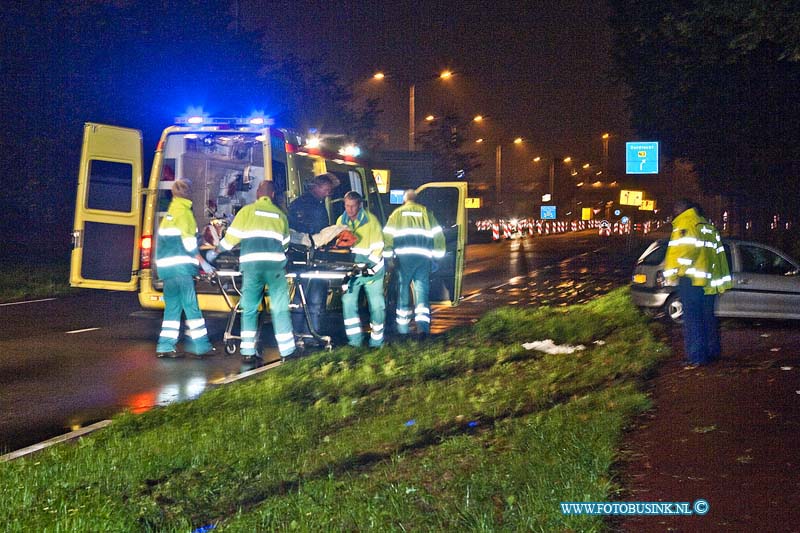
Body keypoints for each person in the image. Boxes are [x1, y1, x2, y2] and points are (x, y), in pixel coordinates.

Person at [208, 180, 295, 361]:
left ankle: (247, 352)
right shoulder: (280, 215)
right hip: (275, 268)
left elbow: (231, 239)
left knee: (249, 309)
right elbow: (286, 244)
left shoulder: (246, 212)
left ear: (257, 194)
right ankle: (287, 352)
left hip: (252, 268)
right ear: (272, 195)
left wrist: (215, 251)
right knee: (279, 308)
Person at [663, 198, 732, 367]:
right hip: (708, 283)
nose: (674, 211)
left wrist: (674, 273)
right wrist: (721, 282)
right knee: (707, 318)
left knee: (693, 320)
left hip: (691, 281)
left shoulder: (685, 224)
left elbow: (685, 252)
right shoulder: (708, 227)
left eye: (675, 207)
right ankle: (712, 352)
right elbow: (719, 256)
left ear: (682, 208)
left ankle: (696, 357)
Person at [154, 180, 216, 358]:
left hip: (167, 270)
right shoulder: (185, 214)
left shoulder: (170, 214)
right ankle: (202, 346)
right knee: (191, 306)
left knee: (172, 307)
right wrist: (204, 263)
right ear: (189, 194)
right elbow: (189, 244)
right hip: (181, 269)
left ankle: (165, 346)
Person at [383, 189, 445, 338]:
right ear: (415, 199)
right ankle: (423, 328)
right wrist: (436, 258)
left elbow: (387, 237)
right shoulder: (425, 212)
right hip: (423, 258)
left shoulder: (397, 214)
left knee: (403, 292)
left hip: (403, 258)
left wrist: (388, 257)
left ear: (405, 200)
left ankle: (403, 329)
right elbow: (438, 236)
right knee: (422, 292)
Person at [287, 173, 340, 344]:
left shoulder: (304, 204)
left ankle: (298, 335)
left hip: (300, 258)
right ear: (316, 187)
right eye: (326, 190)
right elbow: (314, 230)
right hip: (313, 258)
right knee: (315, 299)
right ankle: (311, 336)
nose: (328, 194)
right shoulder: (311, 205)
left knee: (300, 298)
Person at [336, 191, 386, 348]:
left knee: (377, 306)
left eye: (352, 206)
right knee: (348, 302)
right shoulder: (340, 220)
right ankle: (354, 342)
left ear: (359, 205)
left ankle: (377, 341)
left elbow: (378, 249)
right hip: (352, 270)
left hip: (372, 270)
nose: (349, 210)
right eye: (347, 206)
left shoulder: (372, 221)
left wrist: (368, 268)